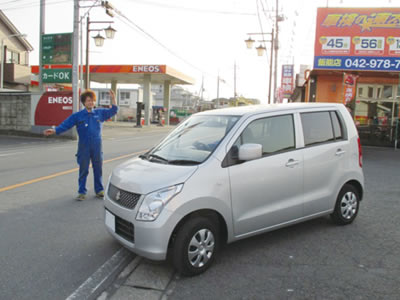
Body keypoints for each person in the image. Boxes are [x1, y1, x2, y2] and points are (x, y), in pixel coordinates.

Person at [43, 89, 118, 201]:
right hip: (84, 147)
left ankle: (99, 190)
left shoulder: (99, 113)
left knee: (98, 169)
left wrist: (113, 99)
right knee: (83, 170)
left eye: (92, 101)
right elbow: (66, 124)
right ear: (84, 102)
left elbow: (113, 110)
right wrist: (55, 130)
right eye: (88, 101)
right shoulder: (78, 116)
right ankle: (81, 192)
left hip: (97, 146)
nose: (90, 103)